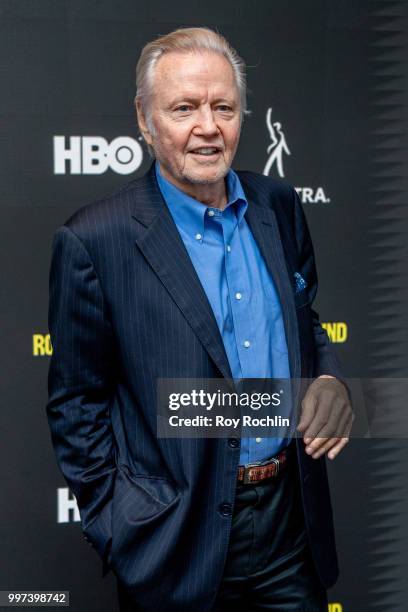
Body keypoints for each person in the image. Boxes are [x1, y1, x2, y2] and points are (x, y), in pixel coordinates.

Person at [46, 27, 353, 612]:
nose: (207, 127)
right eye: (184, 108)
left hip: (291, 527)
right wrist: (119, 524)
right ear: (144, 118)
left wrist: (331, 377)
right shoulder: (95, 240)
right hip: (175, 540)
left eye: (223, 107)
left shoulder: (279, 206)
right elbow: (75, 405)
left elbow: (304, 317)